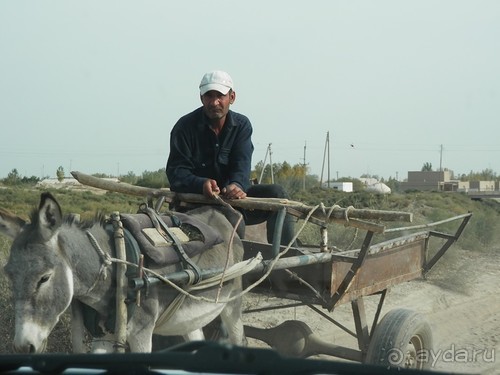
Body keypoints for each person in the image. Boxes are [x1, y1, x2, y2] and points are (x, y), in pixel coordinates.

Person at [166, 70, 296, 246]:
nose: (214, 102)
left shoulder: (241, 125)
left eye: (220, 96)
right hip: (198, 202)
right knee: (235, 221)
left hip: (233, 198)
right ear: (201, 98)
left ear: (232, 97)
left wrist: (238, 185)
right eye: (208, 96)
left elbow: (242, 164)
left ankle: (284, 255)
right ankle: (235, 266)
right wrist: (201, 183)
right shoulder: (184, 127)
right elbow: (176, 173)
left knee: (278, 196)